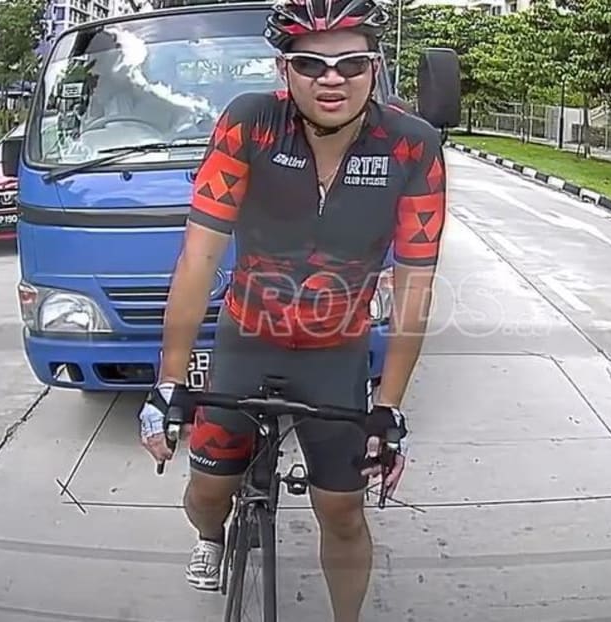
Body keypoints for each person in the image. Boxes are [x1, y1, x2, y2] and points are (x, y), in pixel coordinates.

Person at [137, 0, 446, 619]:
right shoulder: (249, 125)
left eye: (350, 64)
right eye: (310, 64)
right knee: (207, 492)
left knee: (343, 511)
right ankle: (210, 535)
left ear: (375, 67)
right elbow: (198, 258)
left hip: (336, 352)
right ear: (285, 71)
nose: (331, 79)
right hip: (246, 339)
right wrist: (168, 381)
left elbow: (415, 285)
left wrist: (389, 406)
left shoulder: (412, 147)